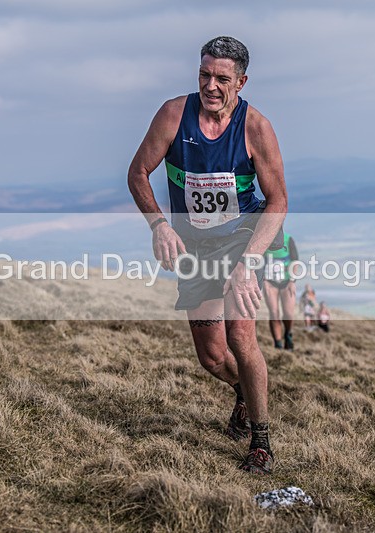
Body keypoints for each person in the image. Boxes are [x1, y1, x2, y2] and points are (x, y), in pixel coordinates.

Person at [128, 36, 287, 474]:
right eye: (204, 74)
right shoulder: (173, 115)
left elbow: (278, 201)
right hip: (194, 245)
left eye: (222, 78)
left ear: (241, 82)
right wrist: (159, 225)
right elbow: (138, 172)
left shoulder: (256, 128)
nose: (211, 85)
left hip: (242, 238)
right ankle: (244, 392)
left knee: (240, 336)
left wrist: (249, 263)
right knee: (213, 357)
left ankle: (261, 441)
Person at [263, 232, 300, 349]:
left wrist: (292, 281)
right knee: (274, 313)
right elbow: (259, 261)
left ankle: (288, 334)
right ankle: (278, 344)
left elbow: (295, 261)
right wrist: (264, 281)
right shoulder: (264, 237)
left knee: (288, 313)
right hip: (270, 281)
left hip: (287, 281)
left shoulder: (288, 239)